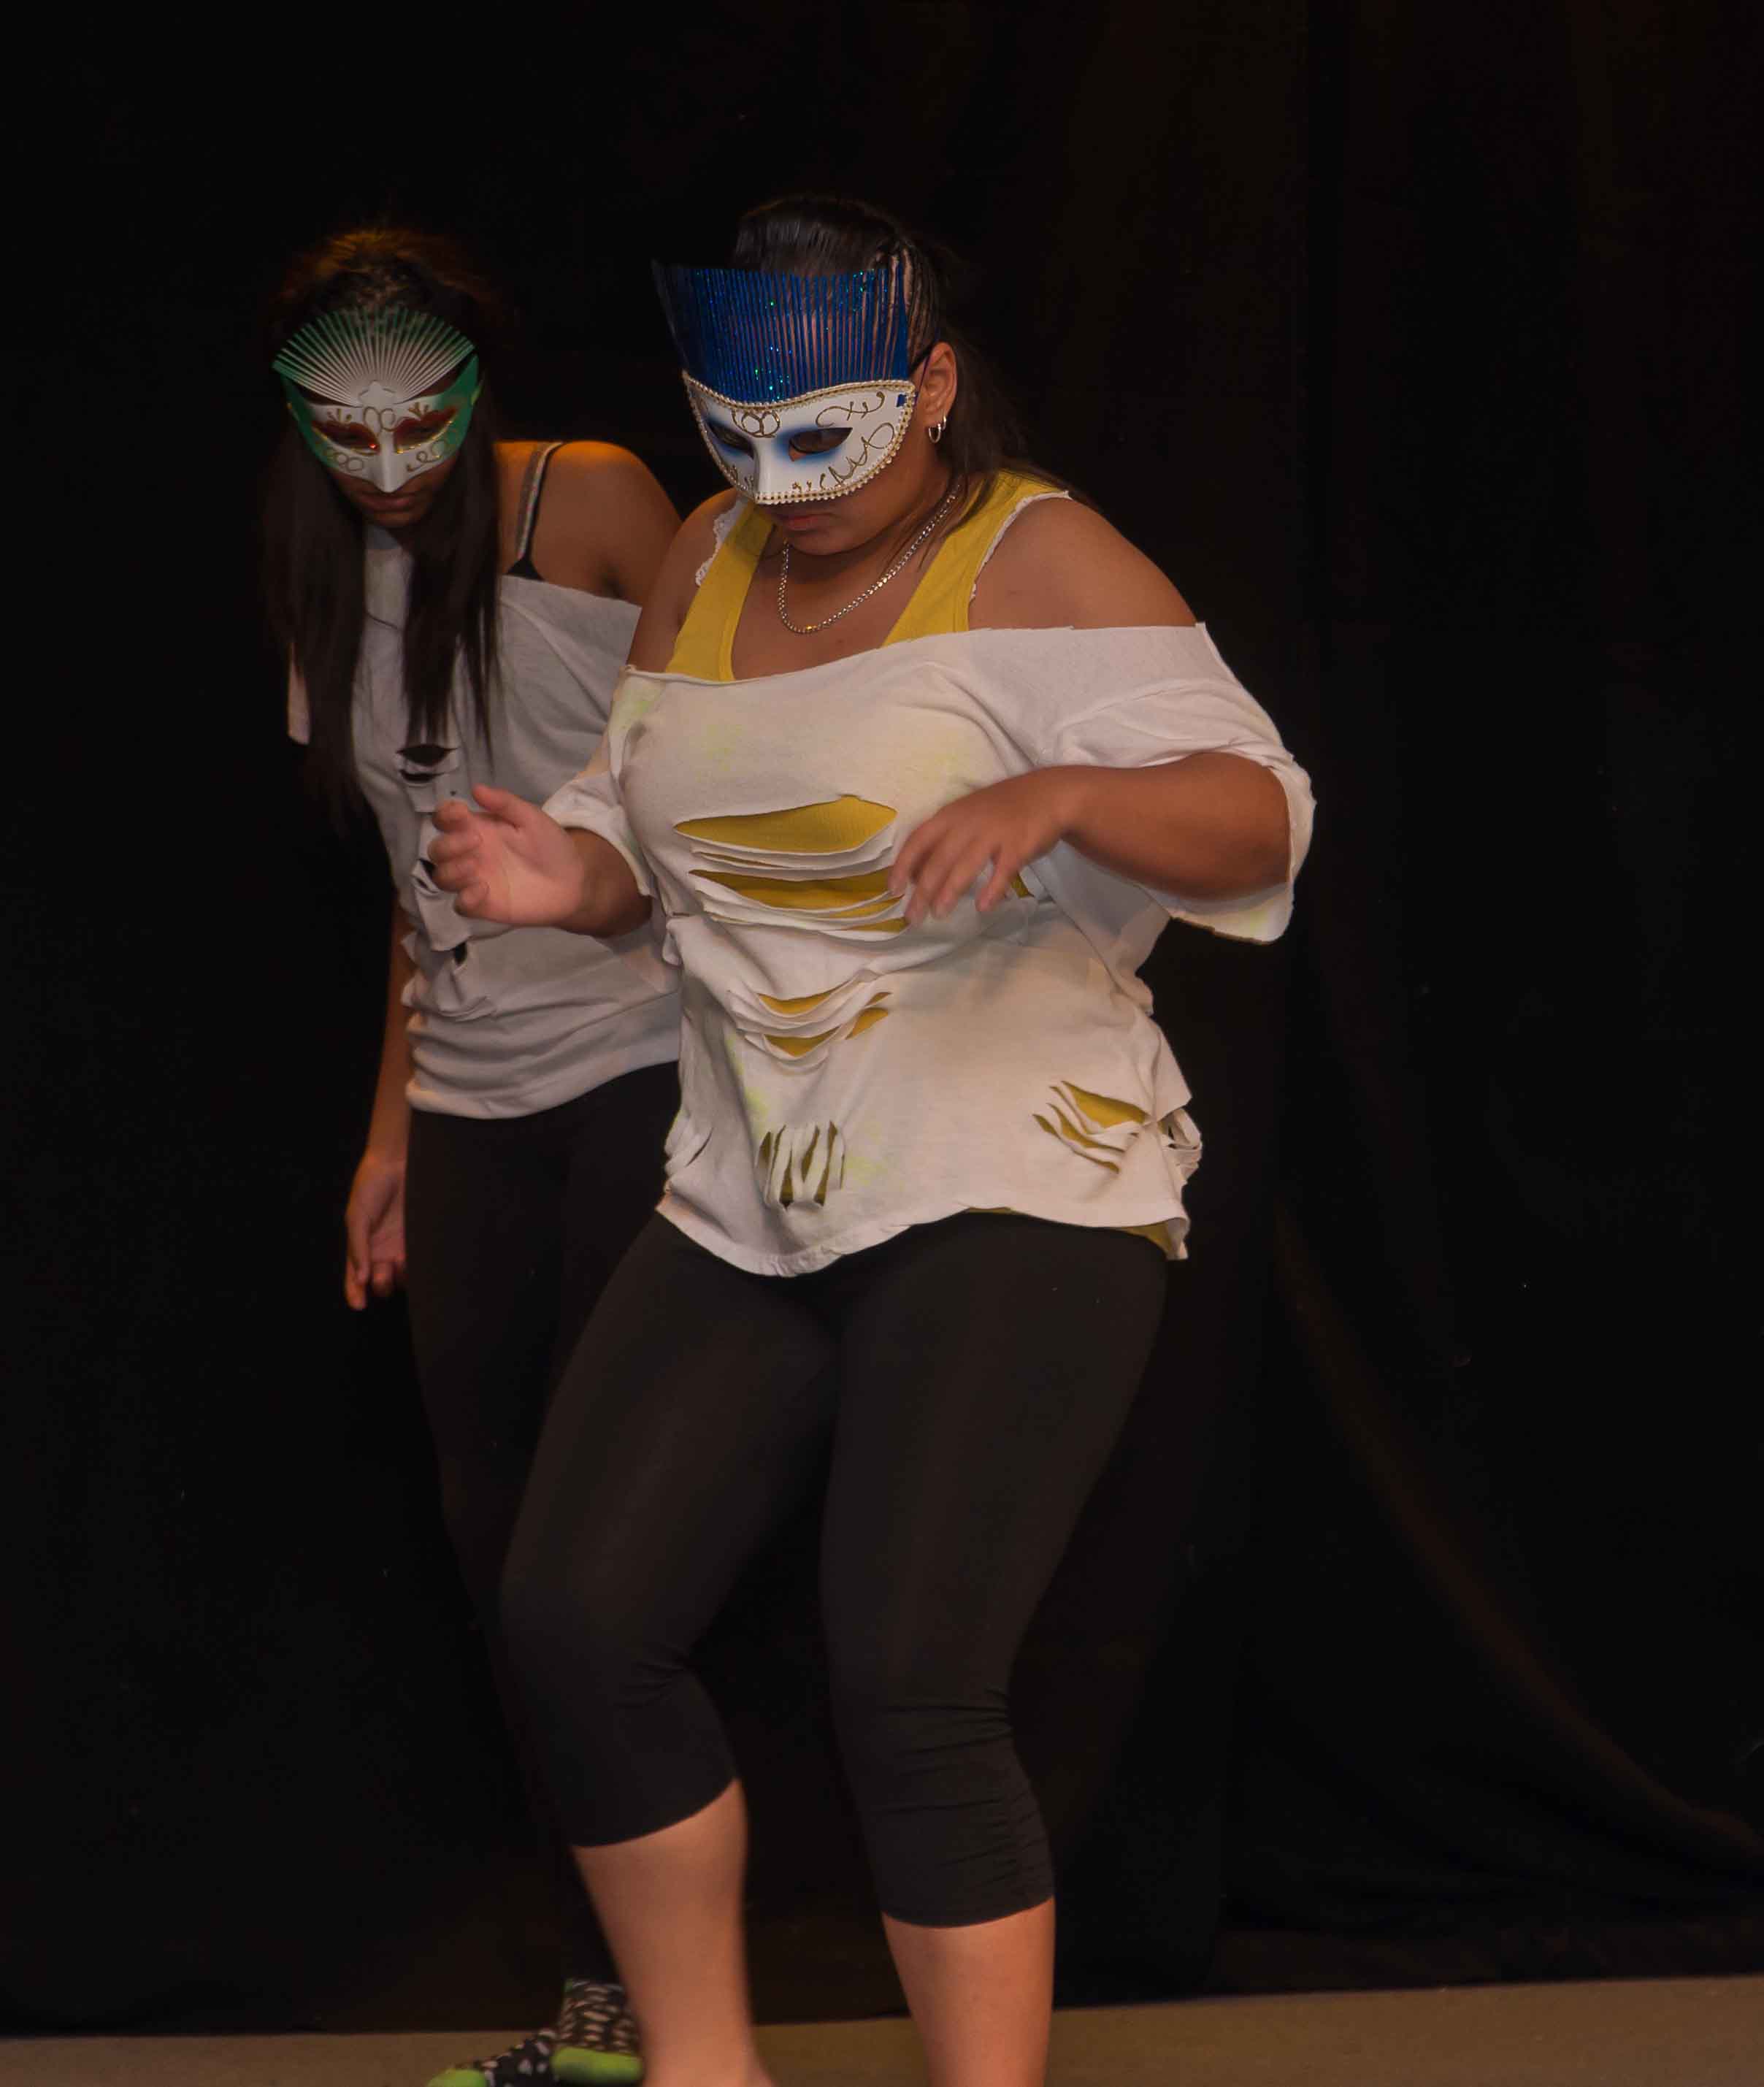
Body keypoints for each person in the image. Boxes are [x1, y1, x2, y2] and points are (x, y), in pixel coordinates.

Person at [426, 195, 1312, 2087]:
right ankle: (703, 2071)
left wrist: (1063, 790)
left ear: (929, 386)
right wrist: (566, 874)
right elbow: (637, 819)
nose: (782, 485)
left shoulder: (1035, 554)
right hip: (754, 1181)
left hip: (1014, 1171)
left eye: (821, 437)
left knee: (911, 1676)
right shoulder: (704, 552)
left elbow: (1258, 814)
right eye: (735, 437)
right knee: (578, 1621)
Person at [266, 226, 684, 2087]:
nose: (384, 458)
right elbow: (405, 883)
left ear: (471, 375)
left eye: (415, 414)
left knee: (614, 1560)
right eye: (341, 426)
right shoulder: (315, 571)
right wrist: (387, 1132)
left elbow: (733, 751)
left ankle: (681, 2006)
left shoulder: (580, 500)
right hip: (469, 1104)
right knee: (504, 1557)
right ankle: (605, 2001)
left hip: (646, 1063)